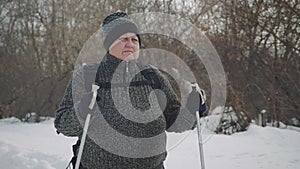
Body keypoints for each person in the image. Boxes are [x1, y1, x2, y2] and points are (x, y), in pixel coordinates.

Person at [55, 11, 207, 169]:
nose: (130, 43)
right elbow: (62, 123)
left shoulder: (152, 76)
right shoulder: (88, 76)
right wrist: (80, 110)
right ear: (109, 44)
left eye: (134, 39)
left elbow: (174, 119)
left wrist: (192, 109)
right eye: (124, 39)